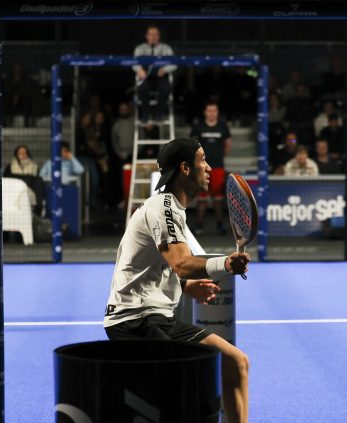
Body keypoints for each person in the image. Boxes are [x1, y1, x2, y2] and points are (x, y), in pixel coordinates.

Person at [104, 138, 250, 423]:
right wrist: (225, 263)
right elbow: (181, 263)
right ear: (185, 168)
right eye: (202, 160)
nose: (209, 167)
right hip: (135, 321)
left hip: (160, 319)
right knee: (182, 392)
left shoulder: (172, 208)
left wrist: (185, 287)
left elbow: (152, 264)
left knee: (236, 362)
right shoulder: (164, 208)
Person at [190, 102, 231, 235]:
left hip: (218, 167)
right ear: (205, 112)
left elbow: (228, 144)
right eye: (209, 111)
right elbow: (192, 145)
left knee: (218, 198)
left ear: (217, 112)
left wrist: (219, 156)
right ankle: (199, 225)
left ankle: (220, 225)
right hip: (202, 167)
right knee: (202, 198)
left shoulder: (223, 127)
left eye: (214, 111)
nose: (212, 113)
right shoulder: (198, 127)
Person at [133, 25, 176, 122]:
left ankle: (159, 114)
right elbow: (134, 62)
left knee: (165, 88)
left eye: (155, 34)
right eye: (151, 34)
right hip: (145, 76)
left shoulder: (166, 48)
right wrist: (139, 70)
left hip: (161, 75)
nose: (153, 37)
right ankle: (146, 113)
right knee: (142, 88)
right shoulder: (139, 48)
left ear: (159, 36)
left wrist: (165, 69)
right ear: (146, 36)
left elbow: (174, 63)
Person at [5, 145, 44, 216]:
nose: (22, 155)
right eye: (20, 153)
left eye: (24, 153)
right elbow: (7, 179)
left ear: (28, 154)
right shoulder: (10, 166)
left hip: (29, 191)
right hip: (14, 189)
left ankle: (37, 211)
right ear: (16, 154)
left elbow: (36, 181)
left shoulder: (34, 166)